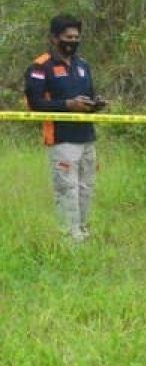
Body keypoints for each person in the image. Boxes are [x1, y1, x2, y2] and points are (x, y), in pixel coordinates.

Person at [24, 14, 106, 242]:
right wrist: (67, 105)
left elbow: (86, 97)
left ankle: (83, 232)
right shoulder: (40, 67)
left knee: (86, 187)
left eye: (76, 37)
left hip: (86, 137)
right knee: (67, 189)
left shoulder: (83, 65)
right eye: (68, 37)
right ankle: (68, 237)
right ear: (54, 38)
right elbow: (36, 104)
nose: (73, 41)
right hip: (61, 139)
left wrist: (94, 104)